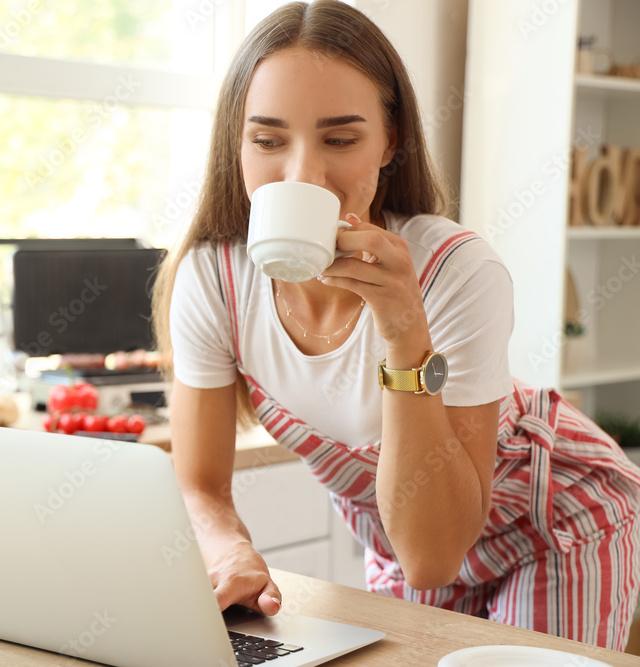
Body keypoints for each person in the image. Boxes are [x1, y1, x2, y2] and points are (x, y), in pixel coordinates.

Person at [151, 0, 640, 651]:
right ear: (235, 146)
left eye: (341, 138)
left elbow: (432, 555)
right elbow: (200, 484)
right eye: (268, 140)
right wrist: (228, 550)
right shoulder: (215, 279)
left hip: (555, 521)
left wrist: (405, 326)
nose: (303, 174)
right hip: (406, 527)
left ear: (391, 141)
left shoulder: (455, 271)